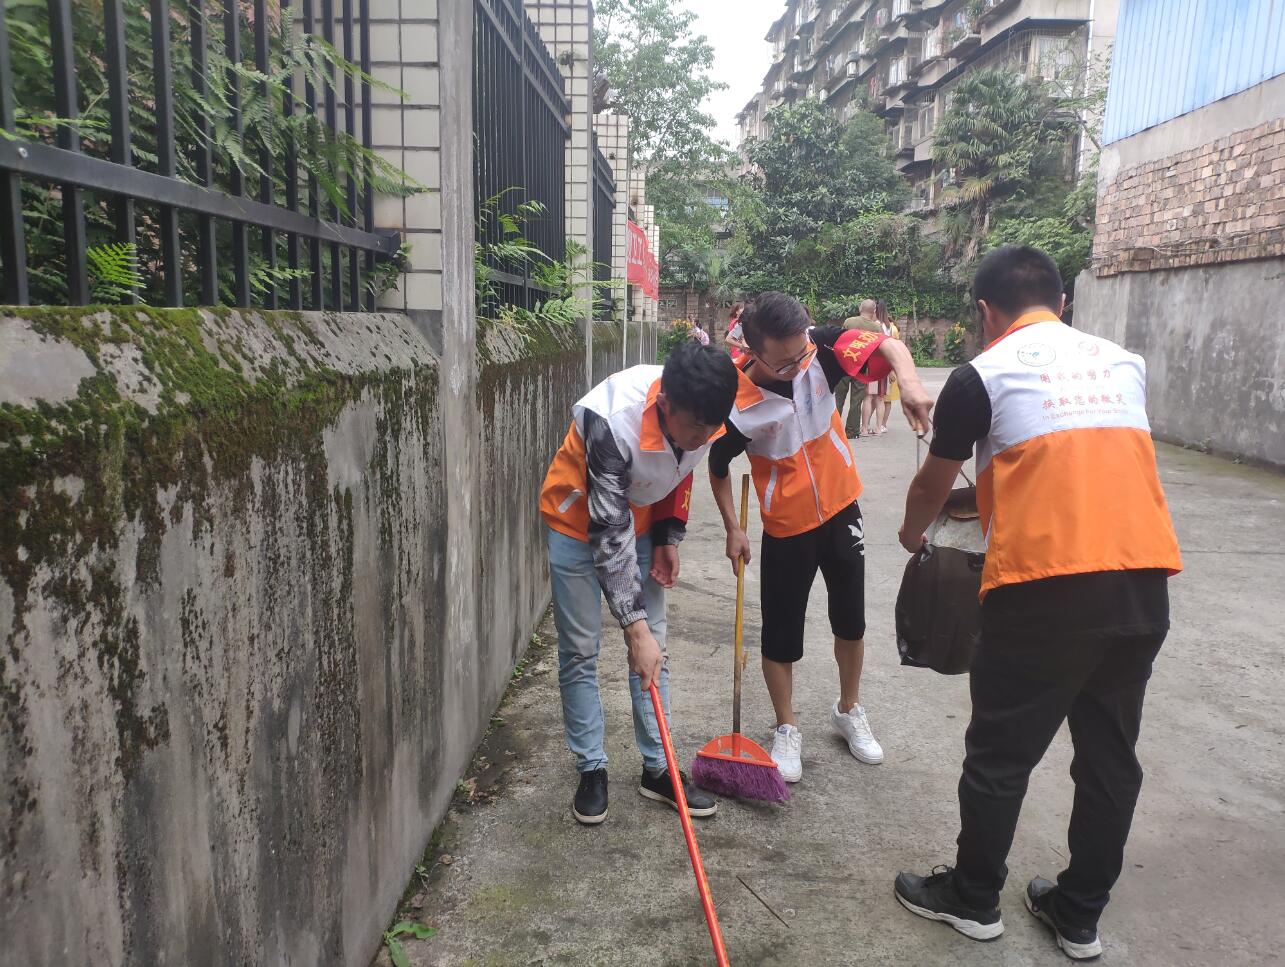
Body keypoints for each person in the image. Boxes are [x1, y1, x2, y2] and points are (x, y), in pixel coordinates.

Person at [892, 246, 1182, 961]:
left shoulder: (981, 374)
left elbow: (933, 484)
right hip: (1141, 580)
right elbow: (1074, 465)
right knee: (1109, 757)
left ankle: (973, 898)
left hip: (1043, 588)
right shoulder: (1124, 363)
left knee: (1000, 752)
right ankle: (1078, 915)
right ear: (1062, 303)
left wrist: (912, 531)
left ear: (985, 312)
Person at [707, 292, 933, 784]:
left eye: (801, 354)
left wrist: (911, 384)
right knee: (781, 632)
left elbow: (886, 345)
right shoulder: (737, 402)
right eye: (784, 362)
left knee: (851, 621)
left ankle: (848, 709)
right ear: (753, 350)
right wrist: (733, 528)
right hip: (786, 526)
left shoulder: (821, 350)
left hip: (841, 507)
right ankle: (787, 727)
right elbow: (718, 466)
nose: (798, 366)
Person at [540, 342, 739, 825]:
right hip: (578, 522)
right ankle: (591, 767)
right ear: (665, 404)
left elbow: (681, 466)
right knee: (582, 649)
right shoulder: (612, 420)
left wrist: (669, 534)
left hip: (645, 519)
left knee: (656, 650)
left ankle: (658, 768)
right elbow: (609, 533)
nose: (704, 438)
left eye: (712, 428)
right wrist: (633, 627)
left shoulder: (704, 412)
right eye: (696, 427)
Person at [833, 300, 879, 438]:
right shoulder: (876, 328)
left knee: (838, 398)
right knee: (856, 400)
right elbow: (878, 350)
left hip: (844, 364)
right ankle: (852, 431)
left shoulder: (849, 322)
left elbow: (840, 339)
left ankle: (833, 429)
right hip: (862, 366)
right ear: (874, 311)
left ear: (860, 308)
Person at [876, 299, 901, 434]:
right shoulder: (892, 328)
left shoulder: (886, 328)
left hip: (885, 367)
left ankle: (880, 424)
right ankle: (881, 424)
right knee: (883, 398)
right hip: (888, 366)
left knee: (882, 398)